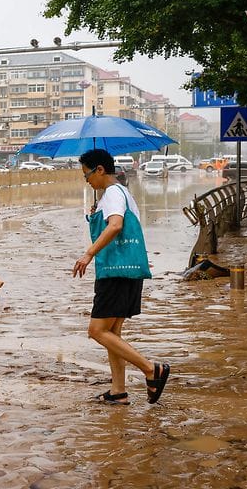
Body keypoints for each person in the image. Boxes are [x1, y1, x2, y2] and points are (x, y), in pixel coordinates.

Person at [72, 149, 170, 405]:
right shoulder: (119, 193)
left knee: (96, 330)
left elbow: (115, 225)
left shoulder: (114, 194)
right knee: (112, 333)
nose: (87, 180)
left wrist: (88, 254)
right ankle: (118, 391)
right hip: (126, 270)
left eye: (87, 174)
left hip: (115, 272)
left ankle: (151, 369)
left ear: (100, 170)